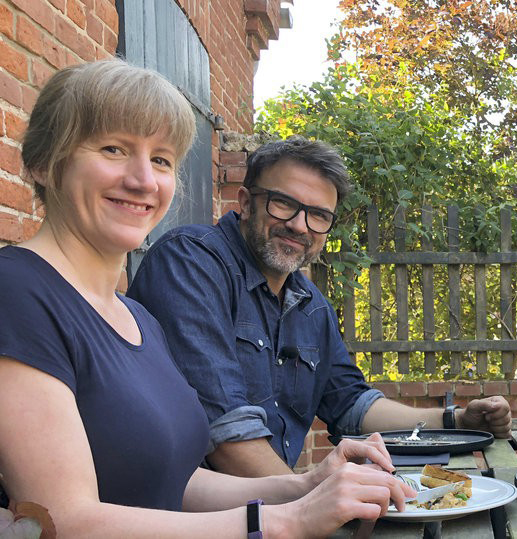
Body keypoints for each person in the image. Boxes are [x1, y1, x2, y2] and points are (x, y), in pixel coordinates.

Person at [0, 60, 414, 537]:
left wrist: (307, 486)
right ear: (44, 163)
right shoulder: (17, 292)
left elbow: (175, 484)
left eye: (161, 160)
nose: (144, 180)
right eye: (114, 149)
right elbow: (63, 522)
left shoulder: (137, 318)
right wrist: (288, 521)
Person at [127, 136, 512, 477]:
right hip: (186, 515)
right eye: (283, 203)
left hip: (271, 507)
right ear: (245, 203)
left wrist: (456, 419)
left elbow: (351, 405)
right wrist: (307, 499)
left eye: (318, 216)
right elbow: (227, 432)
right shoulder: (191, 262)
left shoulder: (310, 305)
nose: (300, 225)